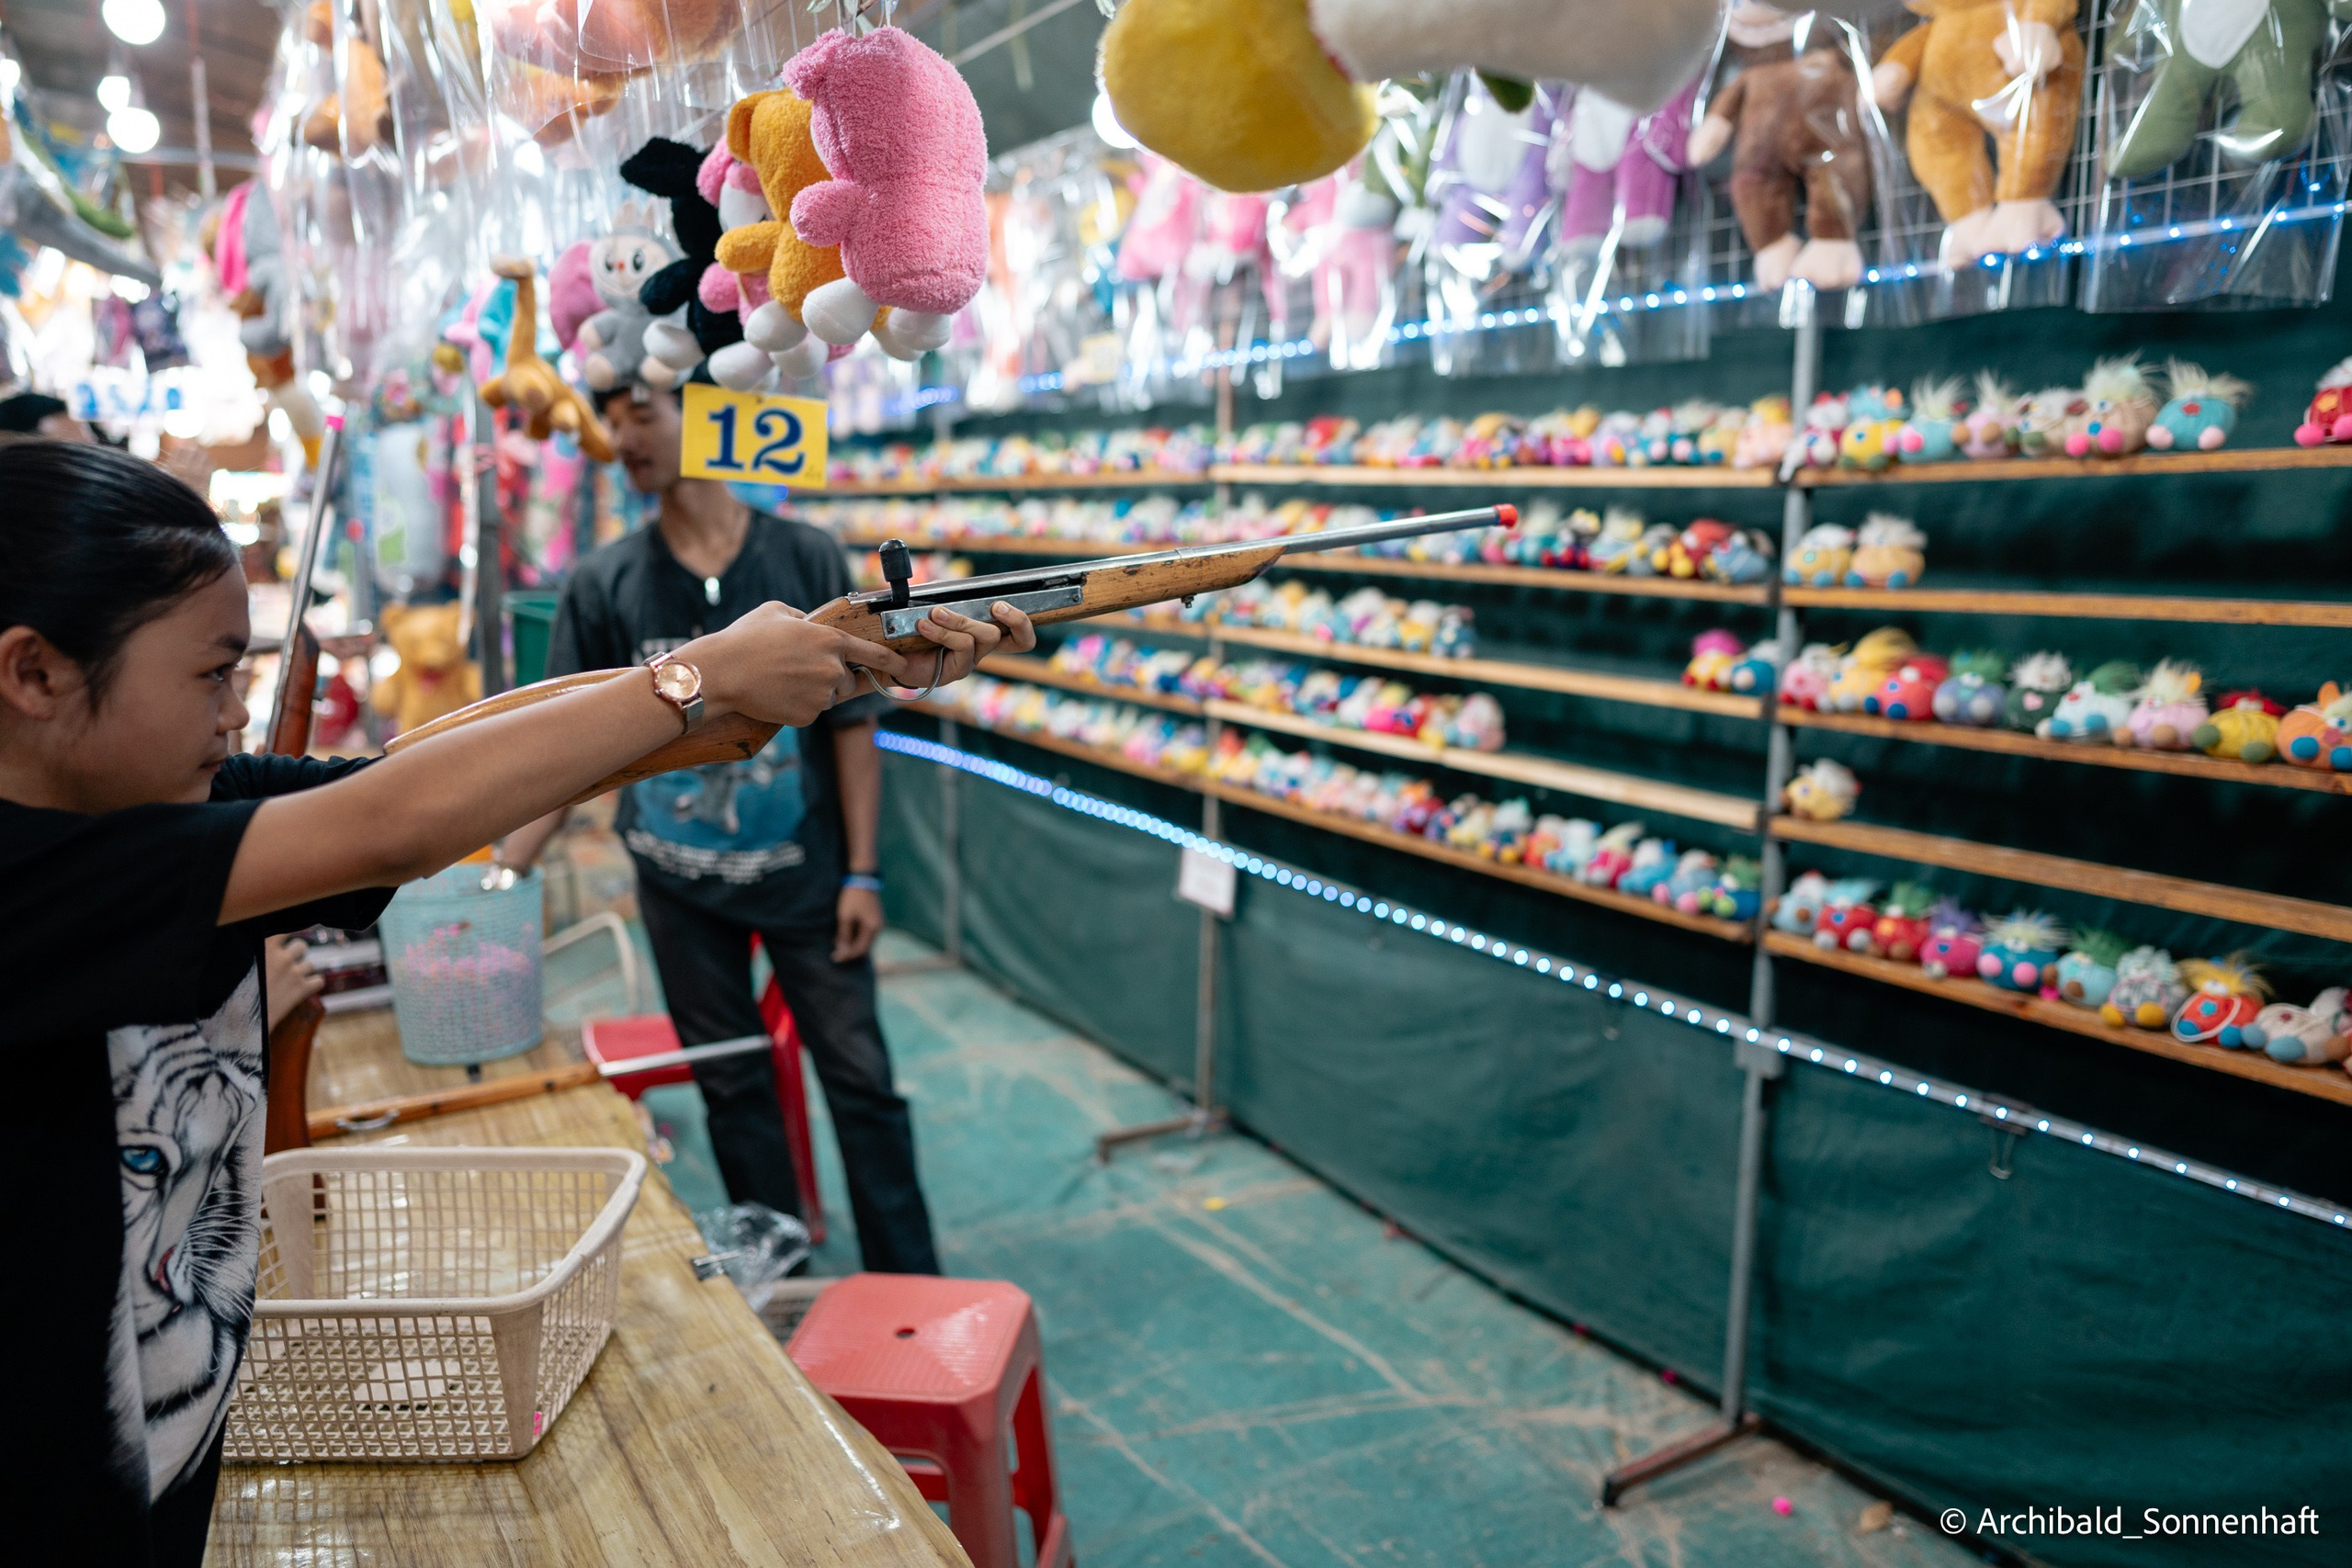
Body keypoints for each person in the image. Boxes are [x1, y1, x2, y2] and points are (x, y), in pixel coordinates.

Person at [0, 439, 1029, 1567]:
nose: (238, 716)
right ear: (36, 673)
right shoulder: (35, 879)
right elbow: (398, 822)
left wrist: (797, 671)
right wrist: (698, 682)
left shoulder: (142, 808)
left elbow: (431, 773)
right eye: (212, 676)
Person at [500, 381, 949, 1273]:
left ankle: (911, 1285)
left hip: (809, 883)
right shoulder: (603, 582)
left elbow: (856, 729)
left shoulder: (806, 557)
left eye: (643, 413)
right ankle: (777, 1280)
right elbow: (565, 753)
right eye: (613, 416)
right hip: (678, 894)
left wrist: (864, 873)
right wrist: (497, 871)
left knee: (860, 1083)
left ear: (707, 415)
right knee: (731, 1079)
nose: (622, 435)